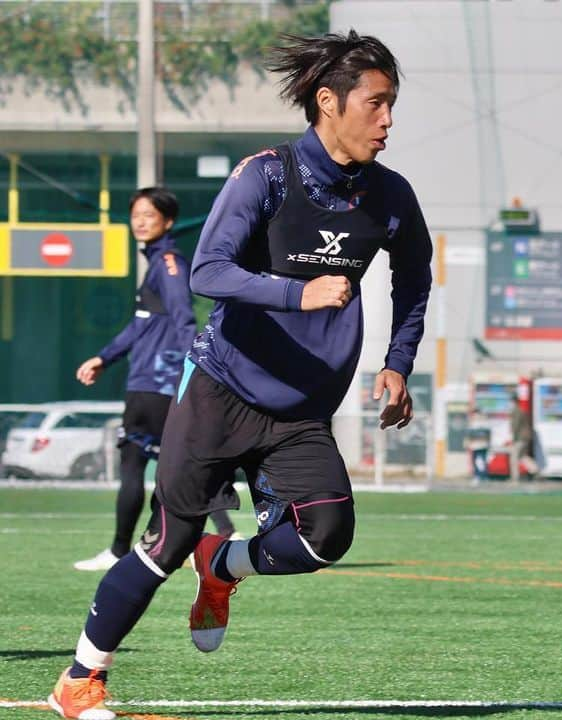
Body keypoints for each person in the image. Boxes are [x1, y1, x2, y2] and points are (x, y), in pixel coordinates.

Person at [48, 31, 432, 719]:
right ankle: (79, 681)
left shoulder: (391, 195)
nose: (388, 121)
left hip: (302, 407)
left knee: (327, 537)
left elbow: (416, 283)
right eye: (376, 105)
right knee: (165, 544)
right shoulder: (267, 174)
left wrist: (398, 365)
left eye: (392, 105)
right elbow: (209, 271)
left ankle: (223, 566)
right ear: (328, 101)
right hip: (222, 390)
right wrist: (299, 291)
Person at [73, 187, 236, 573]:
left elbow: (183, 319)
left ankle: (118, 551)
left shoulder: (168, 262)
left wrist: (193, 371)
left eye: (149, 215)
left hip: (156, 383)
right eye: (135, 215)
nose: (140, 222)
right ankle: (225, 535)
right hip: (154, 381)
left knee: (135, 465)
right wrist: (104, 357)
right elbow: (139, 325)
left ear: (168, 221)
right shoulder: (159, 263)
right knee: (184, 465)